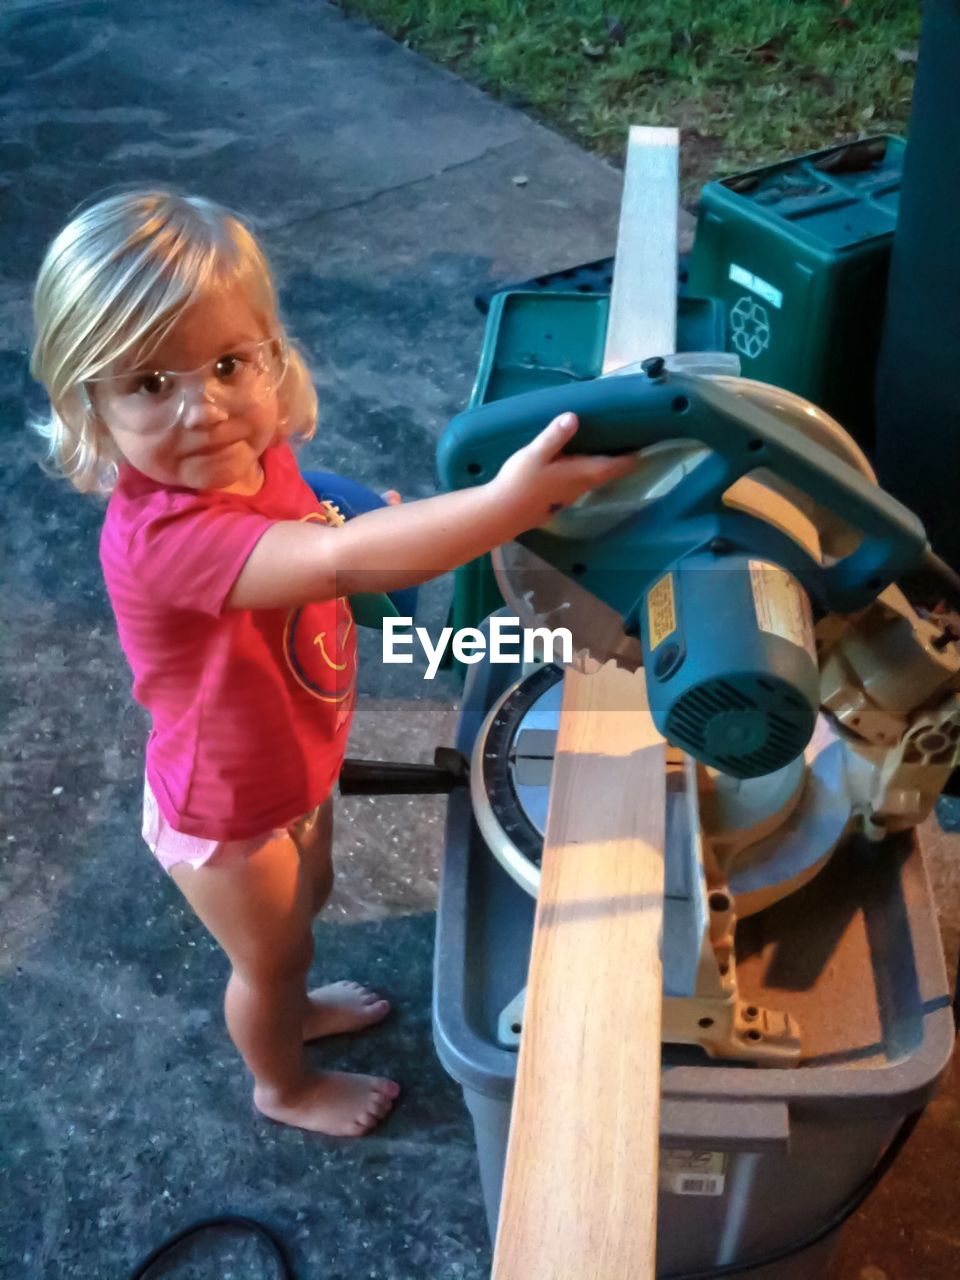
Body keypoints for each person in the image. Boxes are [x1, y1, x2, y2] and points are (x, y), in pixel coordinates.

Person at [30, 190, 635, 1137]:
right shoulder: (164, 537)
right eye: (150, 385)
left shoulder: (247, 456)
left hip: (293, 763)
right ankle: (283, 1083)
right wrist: (505, 506)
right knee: (265, 959)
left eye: (229, 363)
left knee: (307, 904)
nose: (205, 408)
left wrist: (357, 507)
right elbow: (342, 562)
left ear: (271, 352)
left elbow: (317, 510)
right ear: (91, 406)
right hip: (225, 809)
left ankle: (299, 1006)